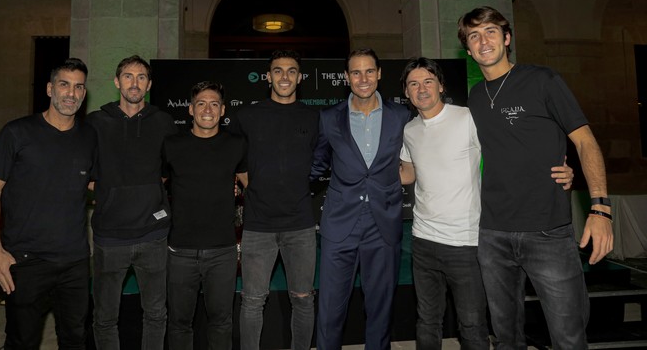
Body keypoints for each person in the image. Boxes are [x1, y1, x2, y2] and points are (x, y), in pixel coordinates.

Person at [457, 6, 613, 349]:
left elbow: (585, 140)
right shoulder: (474, 98)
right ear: (467, 49)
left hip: (548, 232)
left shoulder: (543, 79)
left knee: (569, 337)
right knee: (506, 337)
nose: (483, 41)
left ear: (507, 38)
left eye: (491, 32)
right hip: (493, 234)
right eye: (474, 36)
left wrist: (600, 208)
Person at [398, 57, 574, 349]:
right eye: (413, 84)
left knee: (472, 325)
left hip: (466, 243)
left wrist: (558, 169)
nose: (422, 89)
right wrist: (363, 170)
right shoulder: (410, 130)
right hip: (423, 241)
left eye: (428, 81)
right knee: (427, 321)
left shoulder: (467, 118)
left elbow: (510, 151)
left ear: (441, 86)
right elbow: (407, 172)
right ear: (406, 92)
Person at [0, 58, 96, 349]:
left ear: (84, 93)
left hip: (75, 261)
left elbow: (97, 184)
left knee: (76, 339)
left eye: (78, 86)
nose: (71, 93)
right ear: (49, 88)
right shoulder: (17, 133)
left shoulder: (89, 137)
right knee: (21, 341)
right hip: (25, 261)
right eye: (64, 84)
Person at [311, 48, 412, 350]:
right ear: (346, 77)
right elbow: (315, 165)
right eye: (356, 72)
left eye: (369, 71)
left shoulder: (401, 116)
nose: (363, 78)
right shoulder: (329, 118)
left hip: (383, 222)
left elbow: (419, 157)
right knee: (330, 309)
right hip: (339, 223)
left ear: (379, 73)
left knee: (380, 308)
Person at [229, 50, 319, 350]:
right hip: (258, 224)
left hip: (301, 224)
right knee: (252, 301)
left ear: (300, 77)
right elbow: (231, 157)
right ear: (268, 76)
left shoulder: (313, 117)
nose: (284, 76)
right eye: (278, 71)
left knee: (304, 299)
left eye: (291, 71)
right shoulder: (248, 117)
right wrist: (250, 186)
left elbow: (322, 160)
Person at [88, 55, 178, 350]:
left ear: (149, 85)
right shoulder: (95, 123)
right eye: (128, 76)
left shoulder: (164, 122)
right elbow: (84, 171)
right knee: (104, 316)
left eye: (141, 77)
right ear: (117, 82)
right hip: (109, 237)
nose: (134, 83)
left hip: (153, 235)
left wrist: (146, 194)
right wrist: (109, 193)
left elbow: (169, 171)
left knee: (155, 313)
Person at [163, 81, 247, 350]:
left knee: (221, 322)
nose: (207, 109)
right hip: (180, 251)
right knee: (179, 323)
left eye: (214, 104)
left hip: (222, 251)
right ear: (190, 109)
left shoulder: (236, 145)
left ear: (223, 110)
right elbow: (154, 187)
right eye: (201, 103)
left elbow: (252, 186)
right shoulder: (171, 145)